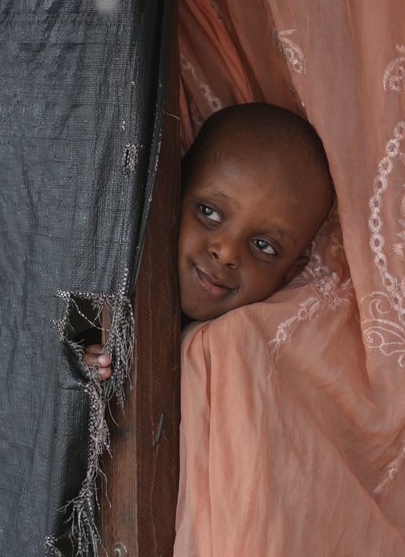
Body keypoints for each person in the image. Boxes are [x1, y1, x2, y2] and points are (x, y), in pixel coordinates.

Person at [83, 103, 335, 379]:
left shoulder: (254, 367)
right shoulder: (98, 268)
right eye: (209, 212)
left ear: (288, 274)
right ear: (173, 190)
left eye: (263, 245)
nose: (226, 252)